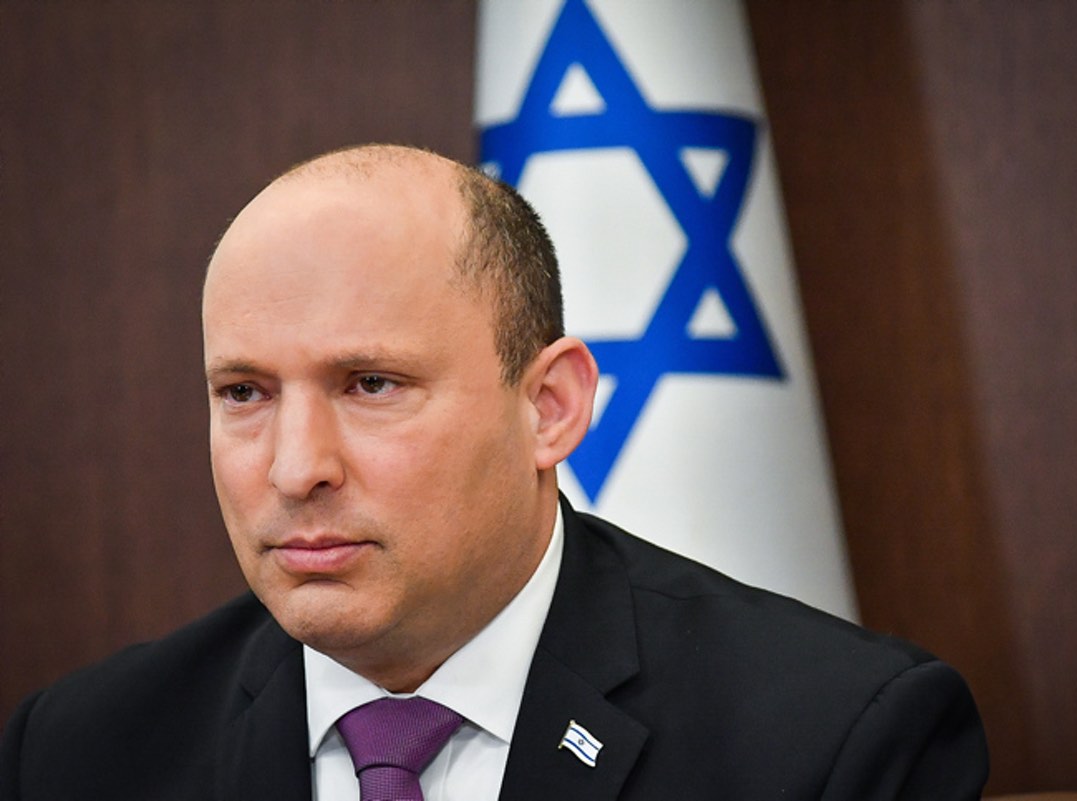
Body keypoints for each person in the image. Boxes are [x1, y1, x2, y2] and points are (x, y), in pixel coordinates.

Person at [0, 144, 988, 800]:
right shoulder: (77, 754)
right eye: (245, 395)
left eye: (372, 383)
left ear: (549, 407)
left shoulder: (831, 744)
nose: (295, 469)